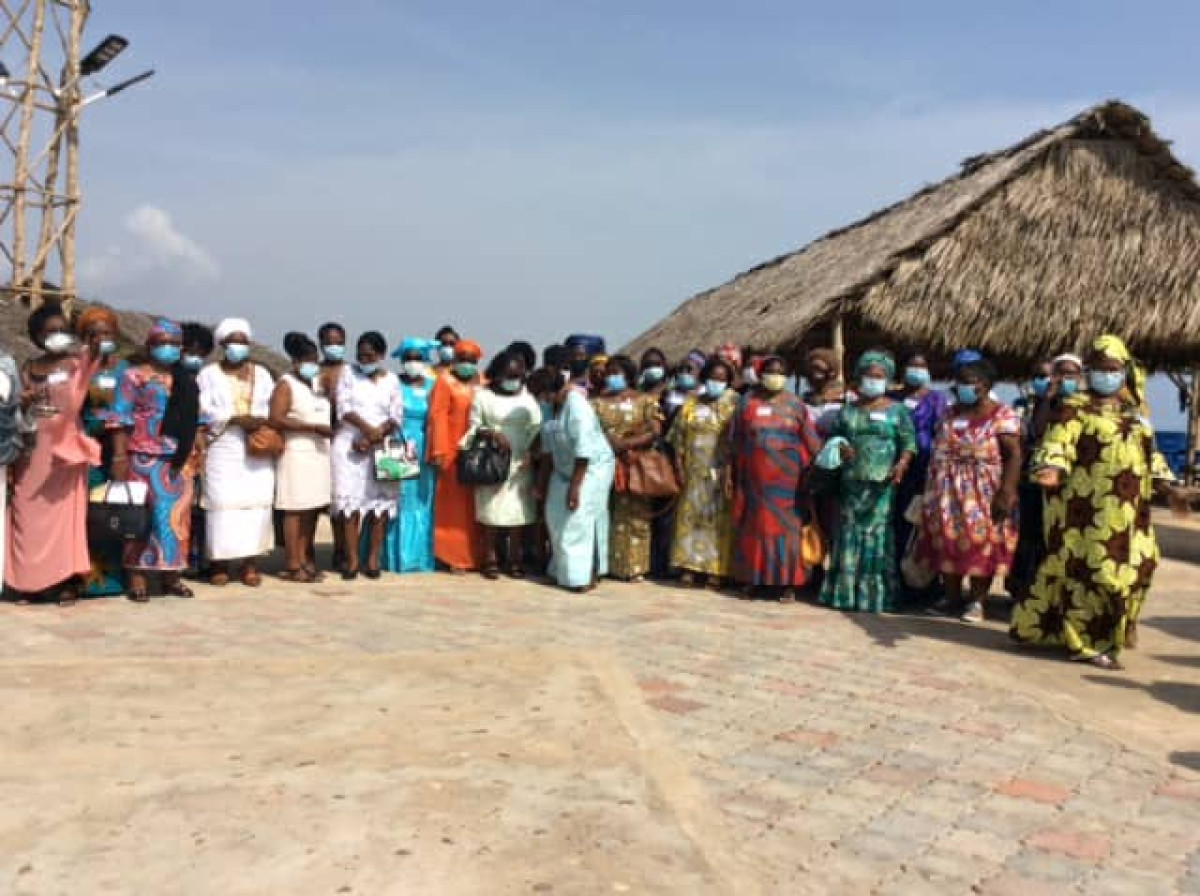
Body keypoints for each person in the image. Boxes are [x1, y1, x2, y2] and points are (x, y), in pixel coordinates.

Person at [1011, 335, 1175, 670]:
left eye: (1111, 368)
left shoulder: (1136, 412)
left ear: (1124, 371)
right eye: (1098, 368)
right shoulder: (1075, 408)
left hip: (1131, 513)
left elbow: (1150, 453)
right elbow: (1059, 441)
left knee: (1144, 564)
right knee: (1097, 574)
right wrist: (1051, 467)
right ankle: (1087, 643)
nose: (1105, 374)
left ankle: (1116, 629)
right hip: (1086, 512)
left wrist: (1166, 483)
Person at [916, 358, 1022, 623]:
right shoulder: (950, 413)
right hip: (946, 490)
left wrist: (1007, 492)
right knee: (947, 541)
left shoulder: (1002, 415)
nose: (961, 387)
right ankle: (951, 597)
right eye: (959, 382)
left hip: (984, 491)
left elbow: (1014, 455)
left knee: (981, 544)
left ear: (984, 386)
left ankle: (977, 601)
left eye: (968, 382)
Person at [7, 302, 99, 604]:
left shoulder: (77, 364)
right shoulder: (27, 368)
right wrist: (24, 404)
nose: (58, 335)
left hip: (65, 450)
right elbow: (18, 413)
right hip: (32, 449)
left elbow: (96, 362)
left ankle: (63, 582)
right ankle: (27, 582)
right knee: (25, 511)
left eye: (62, 330)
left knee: (64, 519)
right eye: (50, 332)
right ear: (36, 336)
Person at [108, 318, 201, 601]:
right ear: (150, 346)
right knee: (142, 519)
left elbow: (195, 420)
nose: (169, 349)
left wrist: (199, 451)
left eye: (175, 344)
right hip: (143, 457)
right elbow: (120, 417)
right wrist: (120, 456)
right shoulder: (134, 376)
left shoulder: (186, 379)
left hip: (178, 459)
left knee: (175, 520)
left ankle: (171, 575)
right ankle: (137, 576)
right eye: (163, 343)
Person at [819, 351, 917, 613]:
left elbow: (909, 443)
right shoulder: (847, 410)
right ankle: (845, 594)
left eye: (879, 376)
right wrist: (840, 446)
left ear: (888, 379)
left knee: (878, 535)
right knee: (849, 533)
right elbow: (834, 438)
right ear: (859, 378)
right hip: (851, 483)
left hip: (882, 485)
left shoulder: (898, 411)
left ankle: (875, 597)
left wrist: (901, 464)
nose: (873, 380)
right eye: (869, 376)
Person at [728, 355, 822, 602]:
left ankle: (787, 584)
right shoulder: (746, 403)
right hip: (753, 481)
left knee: (787, 532)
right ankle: (753, 580)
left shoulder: (796, 405)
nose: (775, 375)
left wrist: (822, 464)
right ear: (760, 374)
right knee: (754, 528)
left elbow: (811, 441)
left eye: (780, 371)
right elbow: (734, 440)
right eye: (770, 370)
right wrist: (731, 473)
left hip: (788, 484)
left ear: (787, 376)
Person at [198, 318, 276, 587]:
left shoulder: (262, 373)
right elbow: (204, 408)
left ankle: (250, 564)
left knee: (255, 503)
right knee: (221, 503)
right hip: (223, 443)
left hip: (256, 444)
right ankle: (219, 563)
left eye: (243, 341)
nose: (239, 346)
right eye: (233, 340)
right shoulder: (208, 374)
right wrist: (232, 417)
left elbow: (270, 404)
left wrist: (256, 418)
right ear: (222, 344)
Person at [529, 366, 616, 592]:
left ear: (552, 390)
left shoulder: (577, 406)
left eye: (541, 393)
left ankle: (583, 576)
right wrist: (541, 485)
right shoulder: (549, 409)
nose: (540, 399)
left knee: (579, 519)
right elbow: (547, 451)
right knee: (555, 515)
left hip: (591, 468)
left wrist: (576, 488)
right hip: (563, 467)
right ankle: (561, 569)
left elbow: (584, 450)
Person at [1007, 353, 1084, 603]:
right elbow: (1034, 433)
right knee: (1029, 535)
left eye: (1064, 375)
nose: (1053, 380)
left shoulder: (1081, 407)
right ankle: (1024, 589)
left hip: (1070, 483)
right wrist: (1046, 400)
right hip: (1031, 483)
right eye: (1043, 376)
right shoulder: (1024, 405)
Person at [463, 350, 542, 579]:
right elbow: (474, 425)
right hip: (492, 458)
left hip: (520, 458)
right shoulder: (483, 396)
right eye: (508, 374)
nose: (512, 379)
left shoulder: (528, 398)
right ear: (497, 373)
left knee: (518, 511)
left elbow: (537, 427)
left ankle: (514, 558)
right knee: (492, 509)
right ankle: (490, 558)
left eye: (517, 375)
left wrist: (531, 452)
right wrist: (492, 434)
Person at [331, 331, 403, 579]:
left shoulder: (392, 379)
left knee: (381, 506)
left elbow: (396, 416)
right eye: (361, 355)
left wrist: (375, 435)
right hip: (350, 445)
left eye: (370, 355)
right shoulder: (348, 374)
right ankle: (351, 559)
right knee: (350, 505)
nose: (365, 359)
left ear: (381, 356)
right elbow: (344, 408)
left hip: (383, 446)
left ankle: (373, 558)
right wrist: (365, 432)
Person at [592, 354, 663, 582]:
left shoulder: (645, 400)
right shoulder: (596, 402)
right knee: (605, 512)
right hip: (604, 464)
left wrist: (627, 444)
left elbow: (655, 429)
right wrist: (608, 443)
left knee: (636, 516)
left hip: (635, 465)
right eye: (608, 373)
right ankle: (605, 564)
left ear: (628, 375)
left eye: (616, 373)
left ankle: (635, 567)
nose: (611, 377)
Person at [667, 357, 737, 588]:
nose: (717, 382)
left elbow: (737, 442)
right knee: (689, 520)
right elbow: (677, 437)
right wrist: (678, 466)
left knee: (717, 523)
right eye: (713, 377)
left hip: (720, 472)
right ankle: (688, 567)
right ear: (704, 377)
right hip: (692, 472)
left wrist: (730, 472)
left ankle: (715, 570)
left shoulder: (734, 403)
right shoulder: (690, 403)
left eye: (722, 378)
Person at [269, 333, 333, 583]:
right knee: (294, 509)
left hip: (318, 455)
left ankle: (306, 557)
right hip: (297, 452)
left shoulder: (316, 384)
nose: (312, 364)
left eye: (314, 360)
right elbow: (276, 418)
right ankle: (292, 563)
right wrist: (312, 428)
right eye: (307, 360)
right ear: (295, 361)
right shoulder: (286, 384)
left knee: (311, 509)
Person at [78, 305, 127, 597]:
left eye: (107, 333)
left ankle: (116, 577)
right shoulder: (75, 367)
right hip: (85, 450)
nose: (101, 338)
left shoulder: (125, 370)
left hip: (117, 451)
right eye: (93, 334)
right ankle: (86, 576)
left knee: (117, 513)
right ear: (84, 337)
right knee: (88, 514)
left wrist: (121, 454)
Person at [894, 353, 950, 602]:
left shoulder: (938, 399)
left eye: (921, 365)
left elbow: (942, 433)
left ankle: (926, 586)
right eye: (912, 365)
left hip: (925, 470)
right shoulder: (893, 398)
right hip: (895, 470)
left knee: (923, 527)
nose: (916, 369)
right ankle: (897, 580)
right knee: (897, 525)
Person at [381, 338, 438, 573]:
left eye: (418, 358)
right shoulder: (392, 383)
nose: (413, 362)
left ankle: (418, 557)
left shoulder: (433, 386)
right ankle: (392, 557)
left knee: (422, 501)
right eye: (408, 358)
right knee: (396, 500)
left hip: (424, 445)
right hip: (397, 442)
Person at [428, 339, 483, 572]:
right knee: (452, 507)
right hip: (451, 451)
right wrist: (439, 450)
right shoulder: (445, 382)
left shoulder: (482, 382)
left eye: (472, 361)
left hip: (477, 451)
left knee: (475, 505)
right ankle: (452, 556)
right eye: (463, 360)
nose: (467, 365)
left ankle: (476, 555)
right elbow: (437, 416)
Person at [180, 322, 214, 577]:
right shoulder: (170, 378)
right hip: (175, 454)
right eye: (190, 350)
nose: (195, 357)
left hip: (200, 454)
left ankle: (198, 558)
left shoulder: (204, 380)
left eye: (201, 353)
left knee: (199, 510)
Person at [802, 347, 847, 436]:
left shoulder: (846, 398)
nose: (815, 374)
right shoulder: (804, 400)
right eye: (812, 369)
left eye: (819, 369)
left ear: (832, 372)